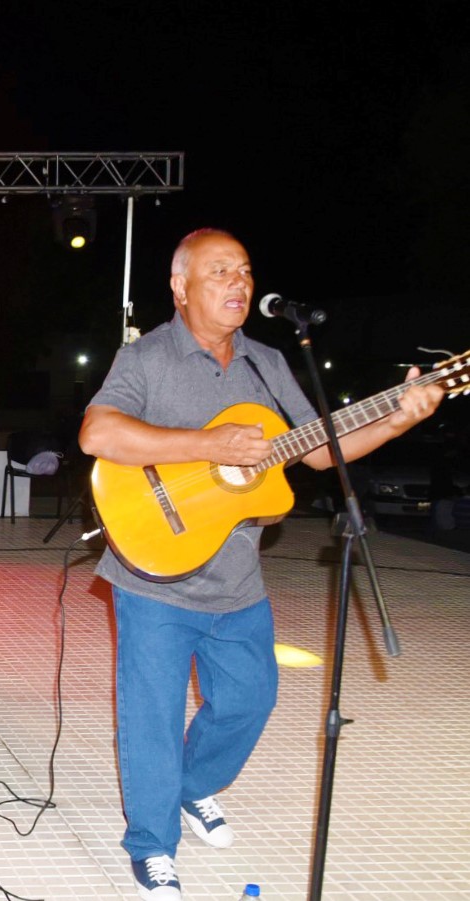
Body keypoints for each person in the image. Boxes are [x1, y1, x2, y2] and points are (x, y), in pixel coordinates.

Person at [78, 229, 444, 901]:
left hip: (236, 576)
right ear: (181, 288)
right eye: (220, 271)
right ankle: (152, 845)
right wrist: (207, 443)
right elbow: (97, 432)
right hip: (153, 571)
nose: (238, 282)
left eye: (244, 270)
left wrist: (398, 419)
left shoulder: (267, 362)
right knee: (152, 718)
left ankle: (191, 787)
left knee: (251, 698)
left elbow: (319, 448)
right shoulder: (148, 356)